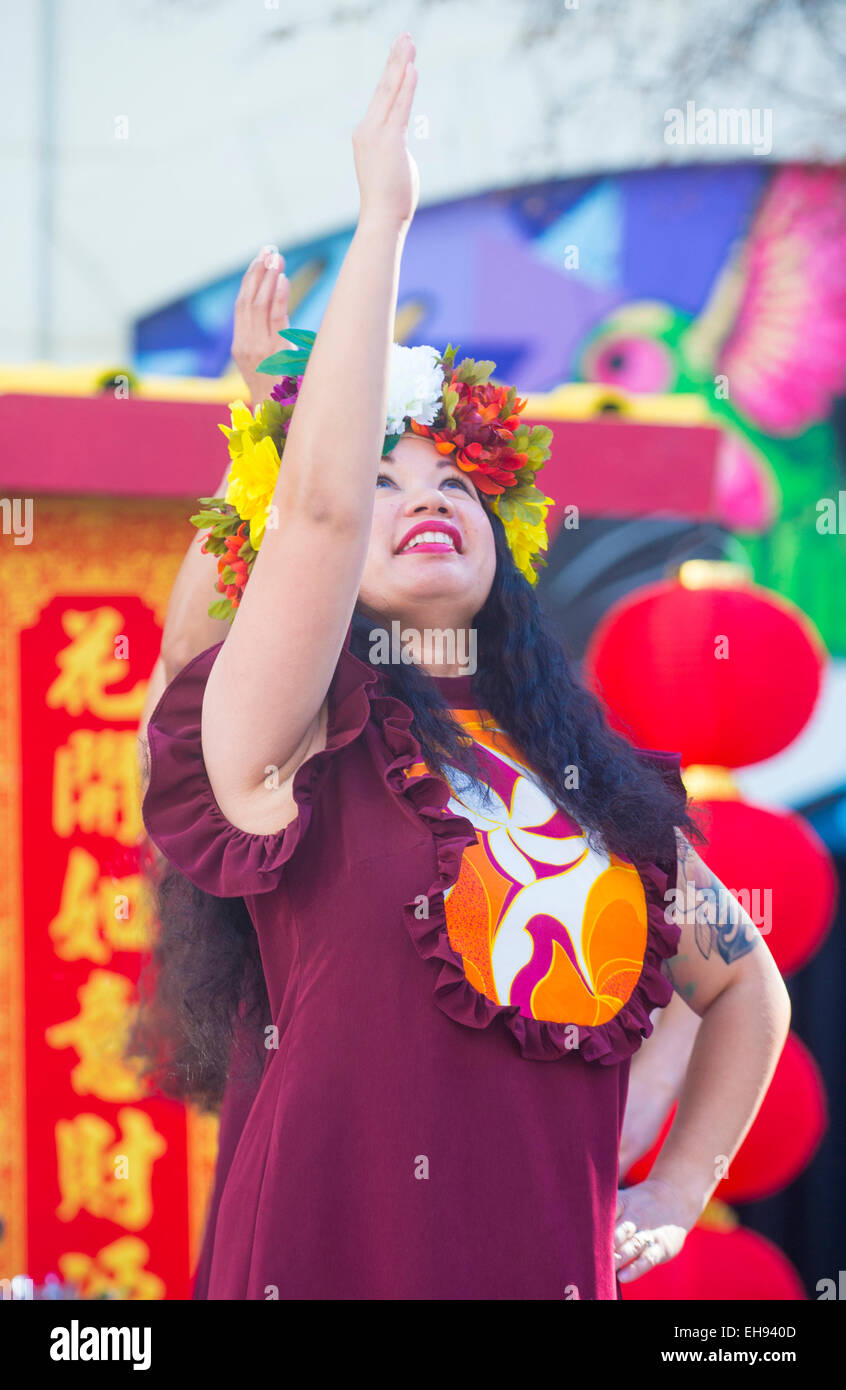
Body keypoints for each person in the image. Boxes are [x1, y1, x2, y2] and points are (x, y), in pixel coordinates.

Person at [130, 32, 790, 1300]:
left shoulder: (592, 780)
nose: (420, 498)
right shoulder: (293, 735)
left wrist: (667, 1192)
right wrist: (381, 228)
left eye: (451, 483)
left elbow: (747, 992)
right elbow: (291, 541)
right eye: (382, 480)